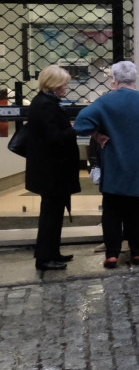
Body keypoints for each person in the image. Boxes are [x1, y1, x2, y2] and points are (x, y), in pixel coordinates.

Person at [73, 61, 139, 268]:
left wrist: (97, 134)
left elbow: (80, 124)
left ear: (114, 80)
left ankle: (112, 254)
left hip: (116, 166)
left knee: (113, 211)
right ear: (134, 78)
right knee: (138, 212)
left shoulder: (105, 101)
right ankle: (138, 253)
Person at [24, 65, 80, 272]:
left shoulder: (43, 102)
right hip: (52, 172)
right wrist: (73, 128)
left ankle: (52, 252)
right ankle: (45, 257)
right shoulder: (46, 105)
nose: (66, 86)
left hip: (51, 171)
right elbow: (54, 138)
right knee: (50, 215)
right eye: (64, 83)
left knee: (53, 214)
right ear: (54, 85)